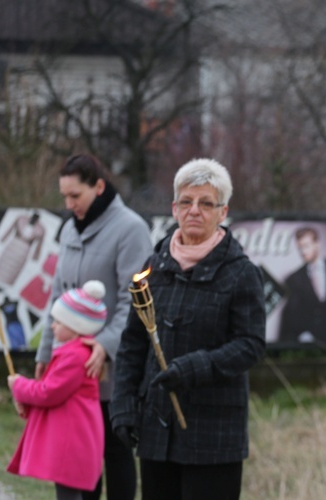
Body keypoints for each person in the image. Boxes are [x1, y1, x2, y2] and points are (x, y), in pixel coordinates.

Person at [109, 158, 266, 500]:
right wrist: (122, 404)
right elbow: (133, 341)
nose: (195, 210)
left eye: (206, 203)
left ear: (222, 212)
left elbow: (250, 345)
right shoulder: (153, 267)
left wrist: (194, 368)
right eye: (186, 201)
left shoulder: (240, 273)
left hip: (213, 435)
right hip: (156, 429)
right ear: (174, 209)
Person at [35, 153, 152, 500]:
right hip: (71, 369)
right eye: (65, 197)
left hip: (112, 369)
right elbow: (58, 298)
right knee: (78, 457)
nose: (69, 205)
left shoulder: (130, 229)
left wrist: (103, 345)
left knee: (115, 452)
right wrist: (46, 353)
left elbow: (133, 300)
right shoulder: (70, 228)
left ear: (99, 187)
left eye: (76, 196)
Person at [8, 281, 108, 500]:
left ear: (76, 325)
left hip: (72, 442)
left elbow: (48, 392)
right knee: (67, 491)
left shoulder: (75, 356)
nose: (52, 326)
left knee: (68, 494)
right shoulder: (74, 351)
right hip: (72, 439)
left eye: (59, 321)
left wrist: (19, 385)